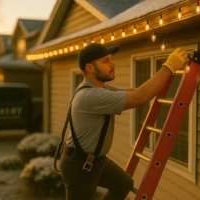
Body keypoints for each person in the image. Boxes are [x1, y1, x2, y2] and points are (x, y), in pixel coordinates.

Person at [57, 42, 188, 200]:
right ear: (90, 68)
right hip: (79, 165)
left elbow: (136, 92)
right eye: (105, 61)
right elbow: (140, 97)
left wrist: (162, 78)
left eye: (111, 59)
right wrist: (170, 66)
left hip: (94, 160)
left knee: (123, 184)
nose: (113, 64)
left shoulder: (102, 89)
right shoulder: (90, 96)